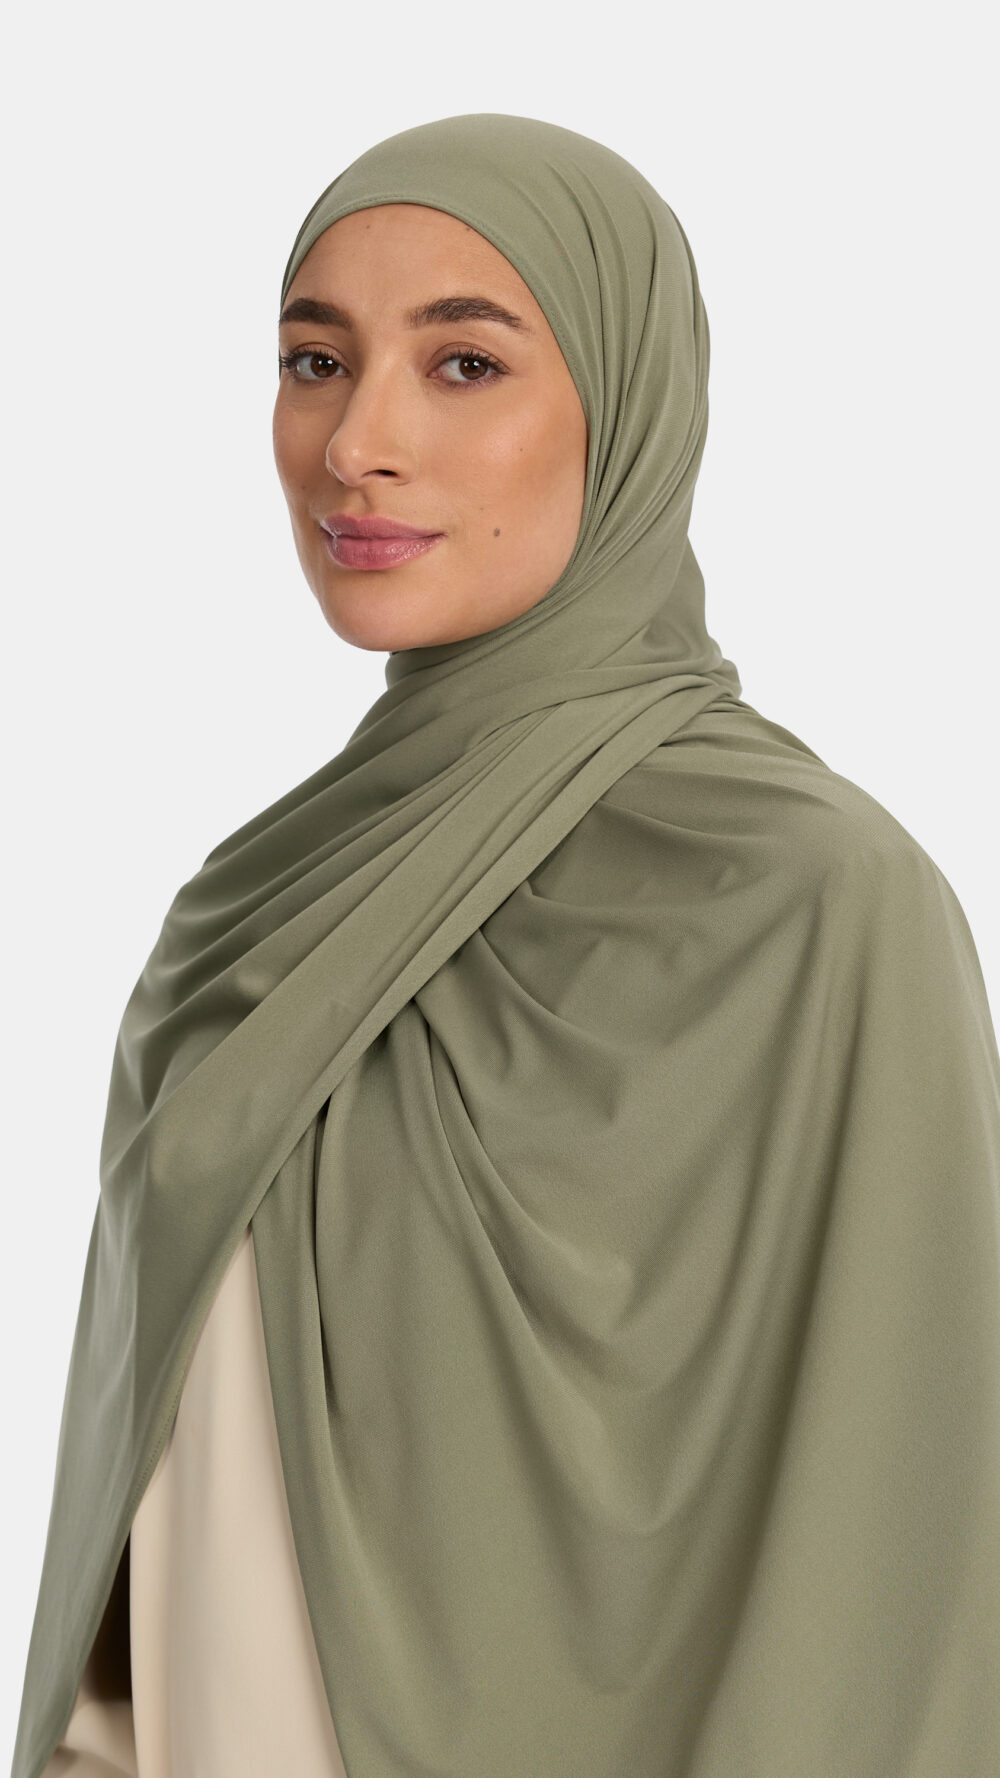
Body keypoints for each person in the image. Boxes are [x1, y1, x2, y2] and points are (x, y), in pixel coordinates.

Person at [12, 112, 1000, 1778]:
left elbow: (901, 1570)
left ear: (630, 409)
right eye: (315, 362)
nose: (357, 444)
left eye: (464, 365)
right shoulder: (245, 923)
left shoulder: (821, 907)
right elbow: (151, 1542)